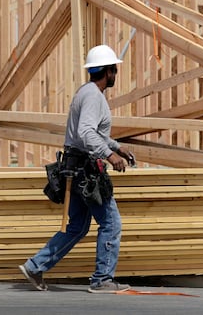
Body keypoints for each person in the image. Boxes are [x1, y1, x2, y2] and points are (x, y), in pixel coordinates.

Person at [19, 44, 136, 293]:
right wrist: (110, 155)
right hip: (86, 171)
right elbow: (85, 133)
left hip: (76, 169)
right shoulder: (94, 96)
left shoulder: (86, 92)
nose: (116, 73)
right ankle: (102, 279)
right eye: (114, 69)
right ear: (109, 71)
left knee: (77, 227)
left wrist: (117, 146)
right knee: (111, 223)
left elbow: (92, 132)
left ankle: (35, 266)